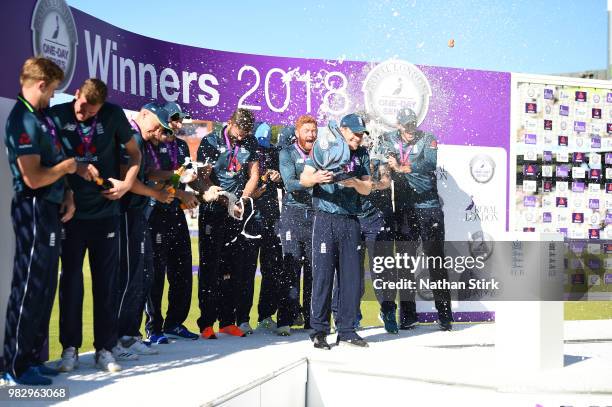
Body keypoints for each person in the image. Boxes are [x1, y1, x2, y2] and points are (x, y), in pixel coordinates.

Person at [50, 78, 142, 373]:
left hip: (106, 213)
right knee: (71, 283)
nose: (85, 115)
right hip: (71, 215)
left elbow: (135, 154)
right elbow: (51, 159)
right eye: (82, 108)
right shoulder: (58, 115)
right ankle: (70, 349)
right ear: (76, 94)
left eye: (92, 113)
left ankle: (105, 348)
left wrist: (126, 184)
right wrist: (67, 191)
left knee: (106, 284)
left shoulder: (114, 115)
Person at [2, 57, 76, 385]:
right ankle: (13, 366)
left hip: (49, 207)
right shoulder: (23, 119)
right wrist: (65, 170)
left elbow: (55, 161)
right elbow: (32, 177)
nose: (53, 98)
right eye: (52, 91)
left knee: (45, 286)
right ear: (41, 84)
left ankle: (32, 356)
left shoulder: (41, 118)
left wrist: (67, 192)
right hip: (32, 206)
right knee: (30, 285)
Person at [300, 113, 372, 349]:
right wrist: (317, 178)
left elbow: (368, 188)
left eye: (361, 134)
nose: (358, 138)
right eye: (355, 133)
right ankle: (319, 330)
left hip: (351, 220)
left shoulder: (361, 153)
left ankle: (347, 330)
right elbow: (304, 178)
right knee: (322, 277)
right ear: (342, 129)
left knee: (351, 278)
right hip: (325, 218)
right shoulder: (324, 146)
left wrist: (354, 183)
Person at [192, 108, 259, 339]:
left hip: (236, 212)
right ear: (230, 122)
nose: (242, 137)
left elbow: (253, 175)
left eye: (246, 132)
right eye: (240, 131)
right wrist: (225, 199)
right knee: (211, 268)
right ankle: (206, 323)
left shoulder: (249, 141)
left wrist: (240, 200)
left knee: (232, 268)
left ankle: (227, 321)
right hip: (213, 209)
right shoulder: (210, 140)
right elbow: (202, 176)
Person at [385, 107, 453, 331]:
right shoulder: (388, 140)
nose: (410, 129)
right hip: (404, 210)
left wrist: (404, 167)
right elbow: (379, 157)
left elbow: (429, 164)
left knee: (436, 261)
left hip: (429, 208)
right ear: (398, 124)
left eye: (413, 123)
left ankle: (445, 316)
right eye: (406, 125)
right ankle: (407, 316)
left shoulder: (428, 138)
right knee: (404, 264)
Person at [116, 102, 175, 357]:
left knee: (144, 274)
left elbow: (146, 172)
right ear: (143, 114)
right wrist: (157, 194)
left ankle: (130, 334)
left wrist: (172, 177)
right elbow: (127, 181)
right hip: (128, 213)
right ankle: (119, 338)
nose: (158, 131)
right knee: (131, 277)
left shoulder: (141, 140)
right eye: (157, 125)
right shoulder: (134, 138)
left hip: (137, 214)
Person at [144, 102, 200, 344]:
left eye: (181, 121)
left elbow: (182, 179)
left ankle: (175, 322)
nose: (178, 125)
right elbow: (150, 178)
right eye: (175, 120)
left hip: (175, 212)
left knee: (183, 270)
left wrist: (196, 182)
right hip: (154, 212)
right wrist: (179, 186)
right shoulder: (151, 142)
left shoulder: (179, 144)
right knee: (156, 274)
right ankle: (153, 328)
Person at [239, 122, 286, 335]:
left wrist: (278, 177)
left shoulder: (275, 151)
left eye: (266, 146)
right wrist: (254, 190)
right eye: (261, 145)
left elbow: (286, 179)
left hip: (272, 217)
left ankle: (266, 315)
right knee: (246, 269)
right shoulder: (244, 150)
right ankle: (242, 318)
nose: (264, 150)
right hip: (248, 217)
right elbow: (241, 181)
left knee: (272, 268)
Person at [278, 116, 318, 332]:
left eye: (313, 130)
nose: (311, 135)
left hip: (315, 215)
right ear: (298, 133)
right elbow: (289, 184)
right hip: (292, 215)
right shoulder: (287, 153)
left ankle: (313, 321)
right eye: (307, 131)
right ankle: (285, 319)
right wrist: (313, 181)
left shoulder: (320, 152)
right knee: (290, 268)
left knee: (314, 270)